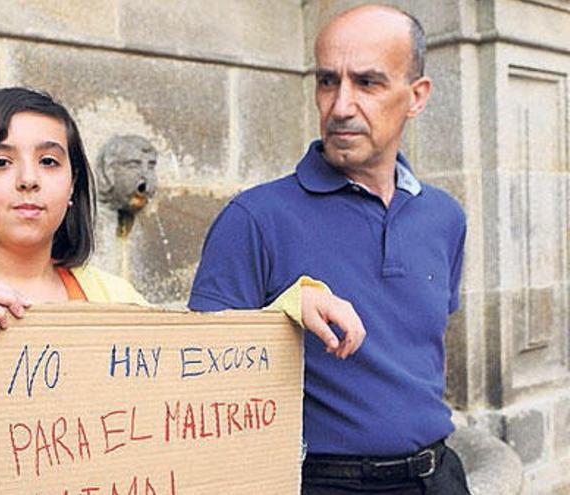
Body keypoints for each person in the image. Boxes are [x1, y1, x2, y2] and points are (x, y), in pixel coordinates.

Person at [0, 86, 317, 494]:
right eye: (1, 162)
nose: (28, 179)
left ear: (73, 187)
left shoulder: (112, 296)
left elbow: (199, 403)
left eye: (49, 161)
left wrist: (289, 311)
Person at [189, 5, 469, 495]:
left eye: (367, 83)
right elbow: (196, 377)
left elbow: (428, 351)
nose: (340, 106)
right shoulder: (254, 219)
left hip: (439, 477)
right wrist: (282, 313)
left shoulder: (445, 217)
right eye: (326, 81)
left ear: (417, 96)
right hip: (320, 482)